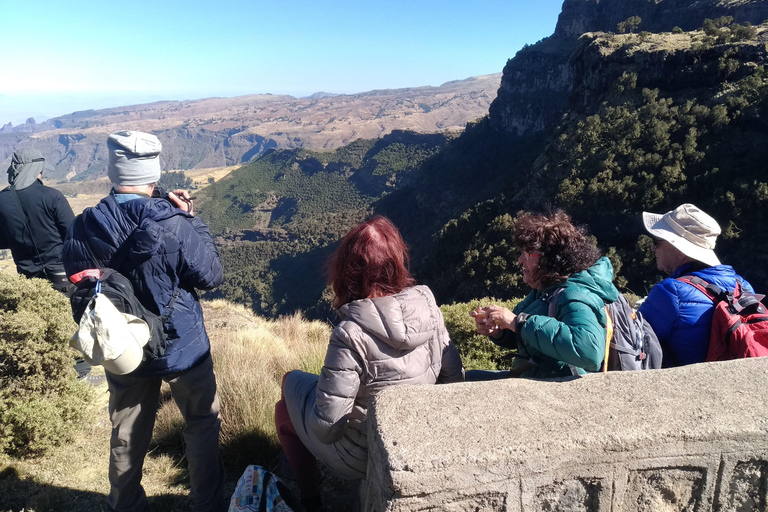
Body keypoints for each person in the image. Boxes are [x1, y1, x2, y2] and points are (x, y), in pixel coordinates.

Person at [62, 130, 225, 512]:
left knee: (126, 430)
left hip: (123, 342)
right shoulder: (174, 221)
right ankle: (207, 504)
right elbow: (212, 275)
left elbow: (76, 278)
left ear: (112, 171)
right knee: (201, 422)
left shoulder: (85, 225)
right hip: (181, 343)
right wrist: (192, 220)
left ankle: (124, 504)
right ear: (154, 174)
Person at [275, 216, 465, 512]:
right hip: (419, 435)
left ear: (347, 270)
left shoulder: (350, 334)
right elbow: (454, 381)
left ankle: (310, 503)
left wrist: (313, 392)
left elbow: (328, 428)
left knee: (287, 395)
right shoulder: (428, 307)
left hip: (363, 452)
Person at [470, 210, 620, 379]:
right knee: (465, 379)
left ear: (550, 259)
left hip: (561, 389)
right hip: (538, 376)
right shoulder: (543, 292)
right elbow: (529, 335)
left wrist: (516, 322)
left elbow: (589, 352)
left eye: (527, 253)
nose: (520, 260)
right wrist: (499, 330)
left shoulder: (573, 296)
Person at [638, 203, 754, 367]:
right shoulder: (742, 286)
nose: (652, 248)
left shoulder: (670, 292)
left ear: (678, 248)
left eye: (656, 241)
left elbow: (633, 343)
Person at [0, 148, 75, 293]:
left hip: (27, 279)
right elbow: (72, 234)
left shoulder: (2, 200)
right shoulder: (52, 196)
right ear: (35, 171)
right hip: (61, 277)